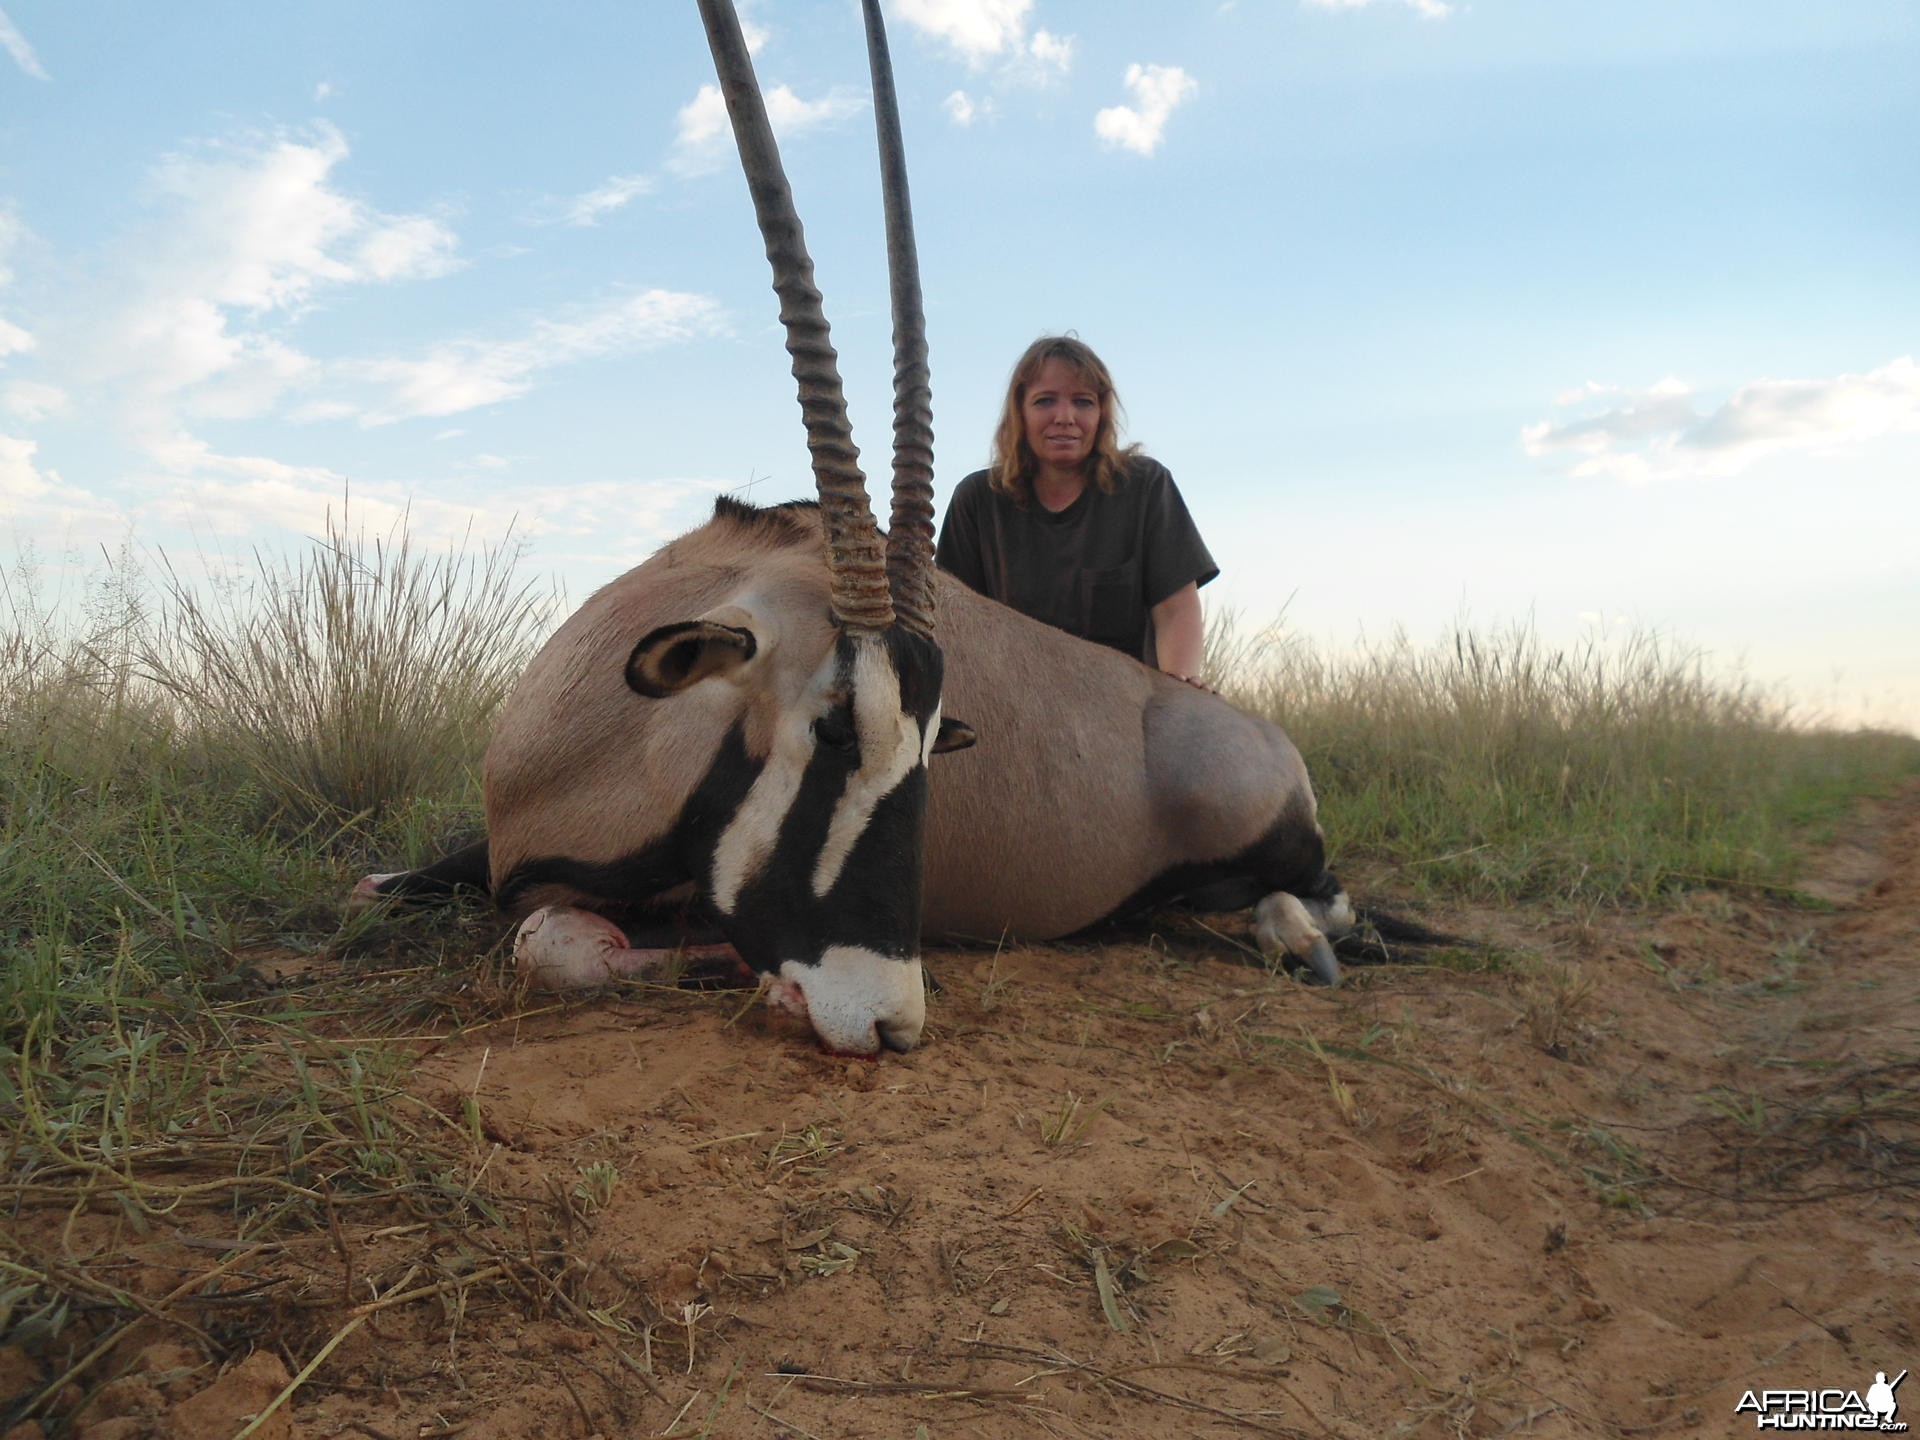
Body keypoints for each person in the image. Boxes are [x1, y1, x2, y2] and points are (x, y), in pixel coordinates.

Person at [935, 335, 1217, 685]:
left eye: (1083, 402)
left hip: (1124, 705)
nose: (1065, 417)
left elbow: (1175, 608)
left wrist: (1180, 683)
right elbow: (952, 622)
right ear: (1019, 412)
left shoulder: (1146, 485)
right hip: (1011, 702)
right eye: (1045, 401)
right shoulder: (976, 499)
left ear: (1101, 414)